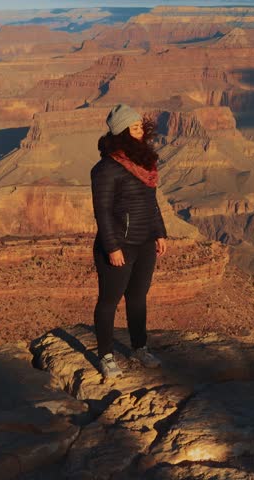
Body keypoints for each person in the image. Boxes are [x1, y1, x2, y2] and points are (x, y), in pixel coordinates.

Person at [90, 103, 168, 378]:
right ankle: (106, 356)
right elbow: (102, 212)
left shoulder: (144, 163)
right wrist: (112, 247)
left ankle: (139, 348)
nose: (141, 130)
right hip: (119, 246)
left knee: (137, 298)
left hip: (145, 242)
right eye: (134, 127)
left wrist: (159, 232)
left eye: (140, 126)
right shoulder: (106, 169)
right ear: (122, 131)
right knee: (109, 301)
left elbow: (152, 202)